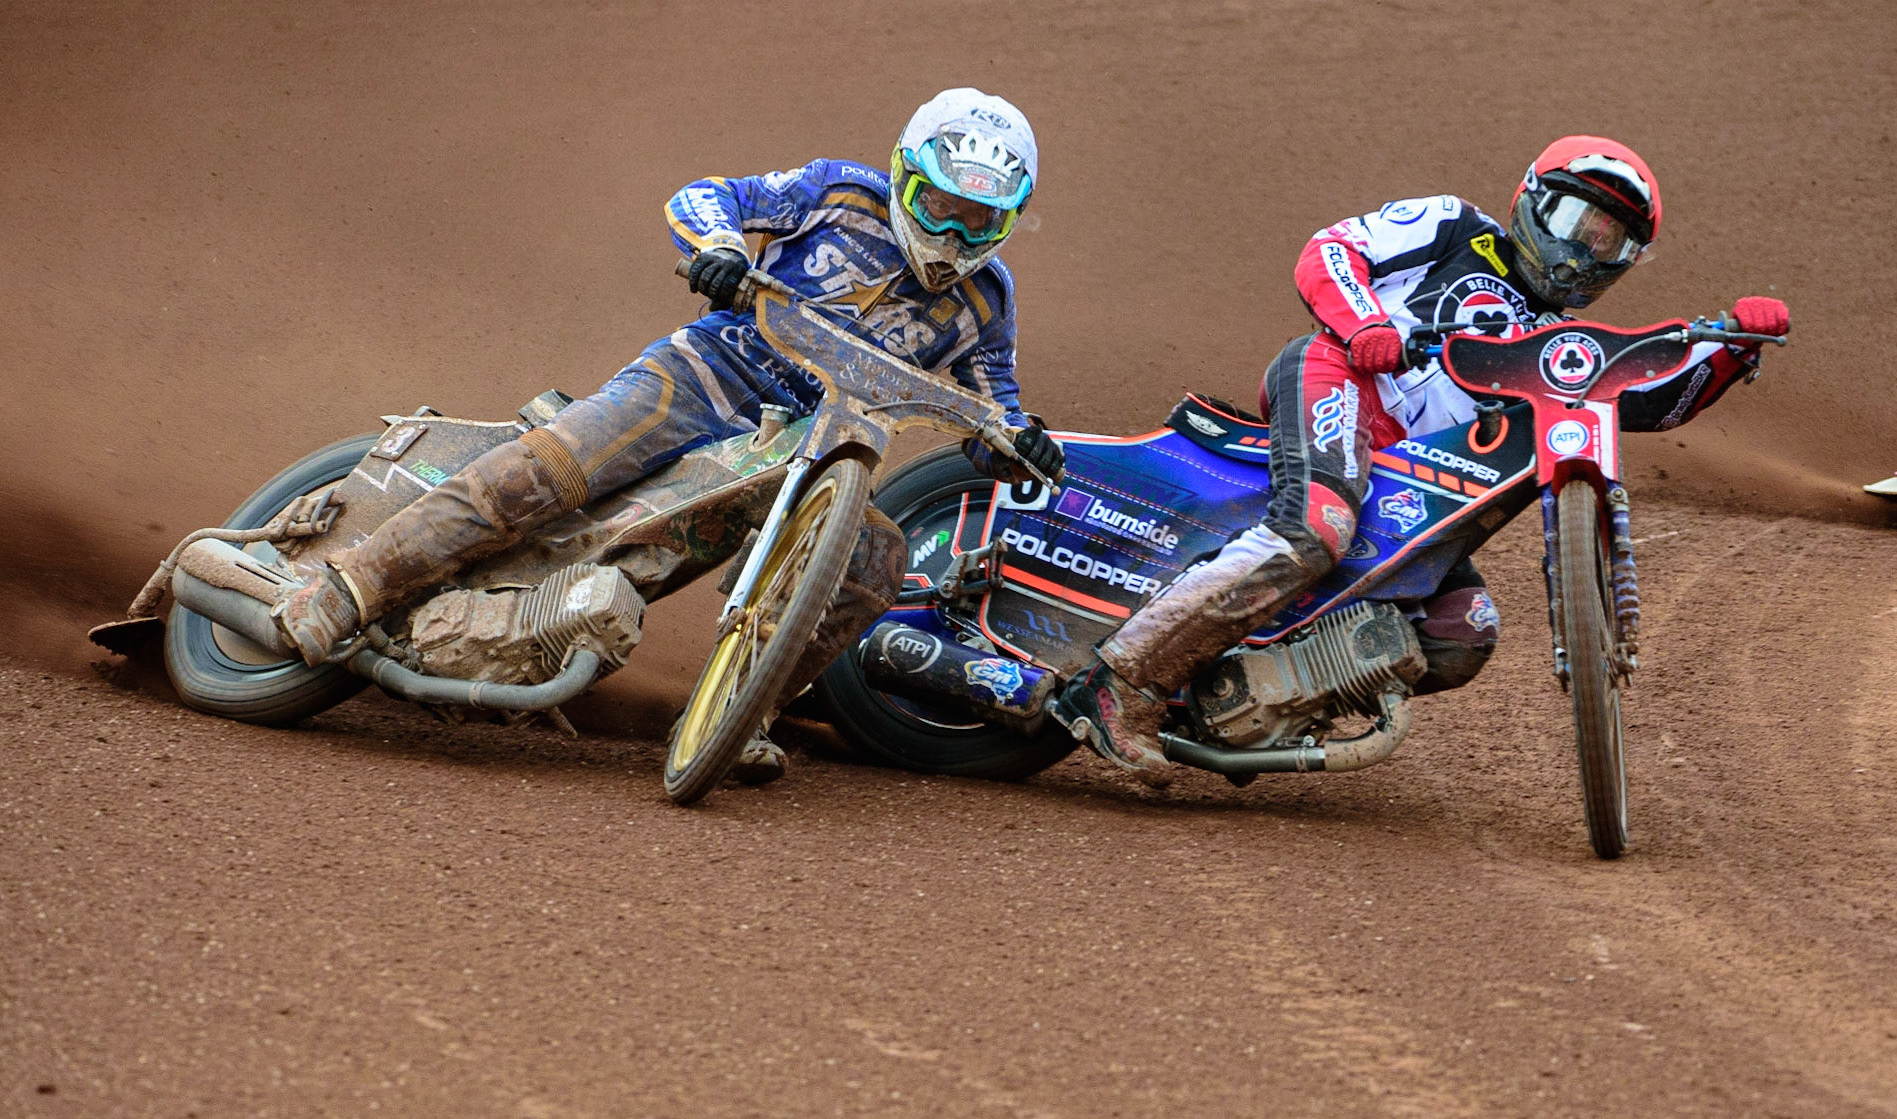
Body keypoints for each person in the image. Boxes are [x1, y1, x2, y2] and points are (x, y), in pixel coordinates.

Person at [277, 87, 1066, 776]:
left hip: (807, 449)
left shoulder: (986, 302)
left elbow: (992, 403)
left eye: (979, 219)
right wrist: (719, 251)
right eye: (941, 209)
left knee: (877, 556)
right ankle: (352, 588)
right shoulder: (837, 194)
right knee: (555, 469)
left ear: (1009, 218)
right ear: (904, 177)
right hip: (703, 378)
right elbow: (706, 195)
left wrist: (1021, 442)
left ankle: (743, 711)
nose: (955, 238)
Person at [1048, 135, 1791, 781]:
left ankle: (1234, 694)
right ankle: (1118, 684)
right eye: (1575, 222)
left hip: (1417, 486)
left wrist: (1729, 354)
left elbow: (1647, 401)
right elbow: (1329, 250)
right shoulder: (1450, 225)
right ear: (1531, 198)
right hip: (1343, 381)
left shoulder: (1562, 353)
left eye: (1609, 242)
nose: (1582, 251)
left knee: (1462, 631)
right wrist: (1365, 323)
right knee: (1318, 527)